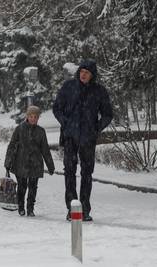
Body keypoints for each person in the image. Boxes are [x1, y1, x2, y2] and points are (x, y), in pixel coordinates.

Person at [53, 59, 113, 222]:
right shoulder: (68, 87)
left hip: (88, 137)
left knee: (87, 173)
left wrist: (96, 128)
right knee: (69, 172)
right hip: (70, 136)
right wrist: (65, 123)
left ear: (92, 75)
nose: (83, 74)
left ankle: (84, 209)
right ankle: (72, 208)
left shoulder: (99, 91)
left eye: (86, 72)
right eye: (81, 71)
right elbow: (56, 108)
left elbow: (108, 114)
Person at [4, 105, 55, 217]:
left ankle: (30, 208)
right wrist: (8, 162)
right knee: (22, 186)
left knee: (33, 187)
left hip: (35, 164)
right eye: (31, 116)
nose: (33, 118)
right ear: (27, 116)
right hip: (20, 162)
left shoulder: (41, 131)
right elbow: (12, 146)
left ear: (38, 118)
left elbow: (45, 149)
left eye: (35, 117)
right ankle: (21, 206)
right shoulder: (19, 129)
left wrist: (50, 165)